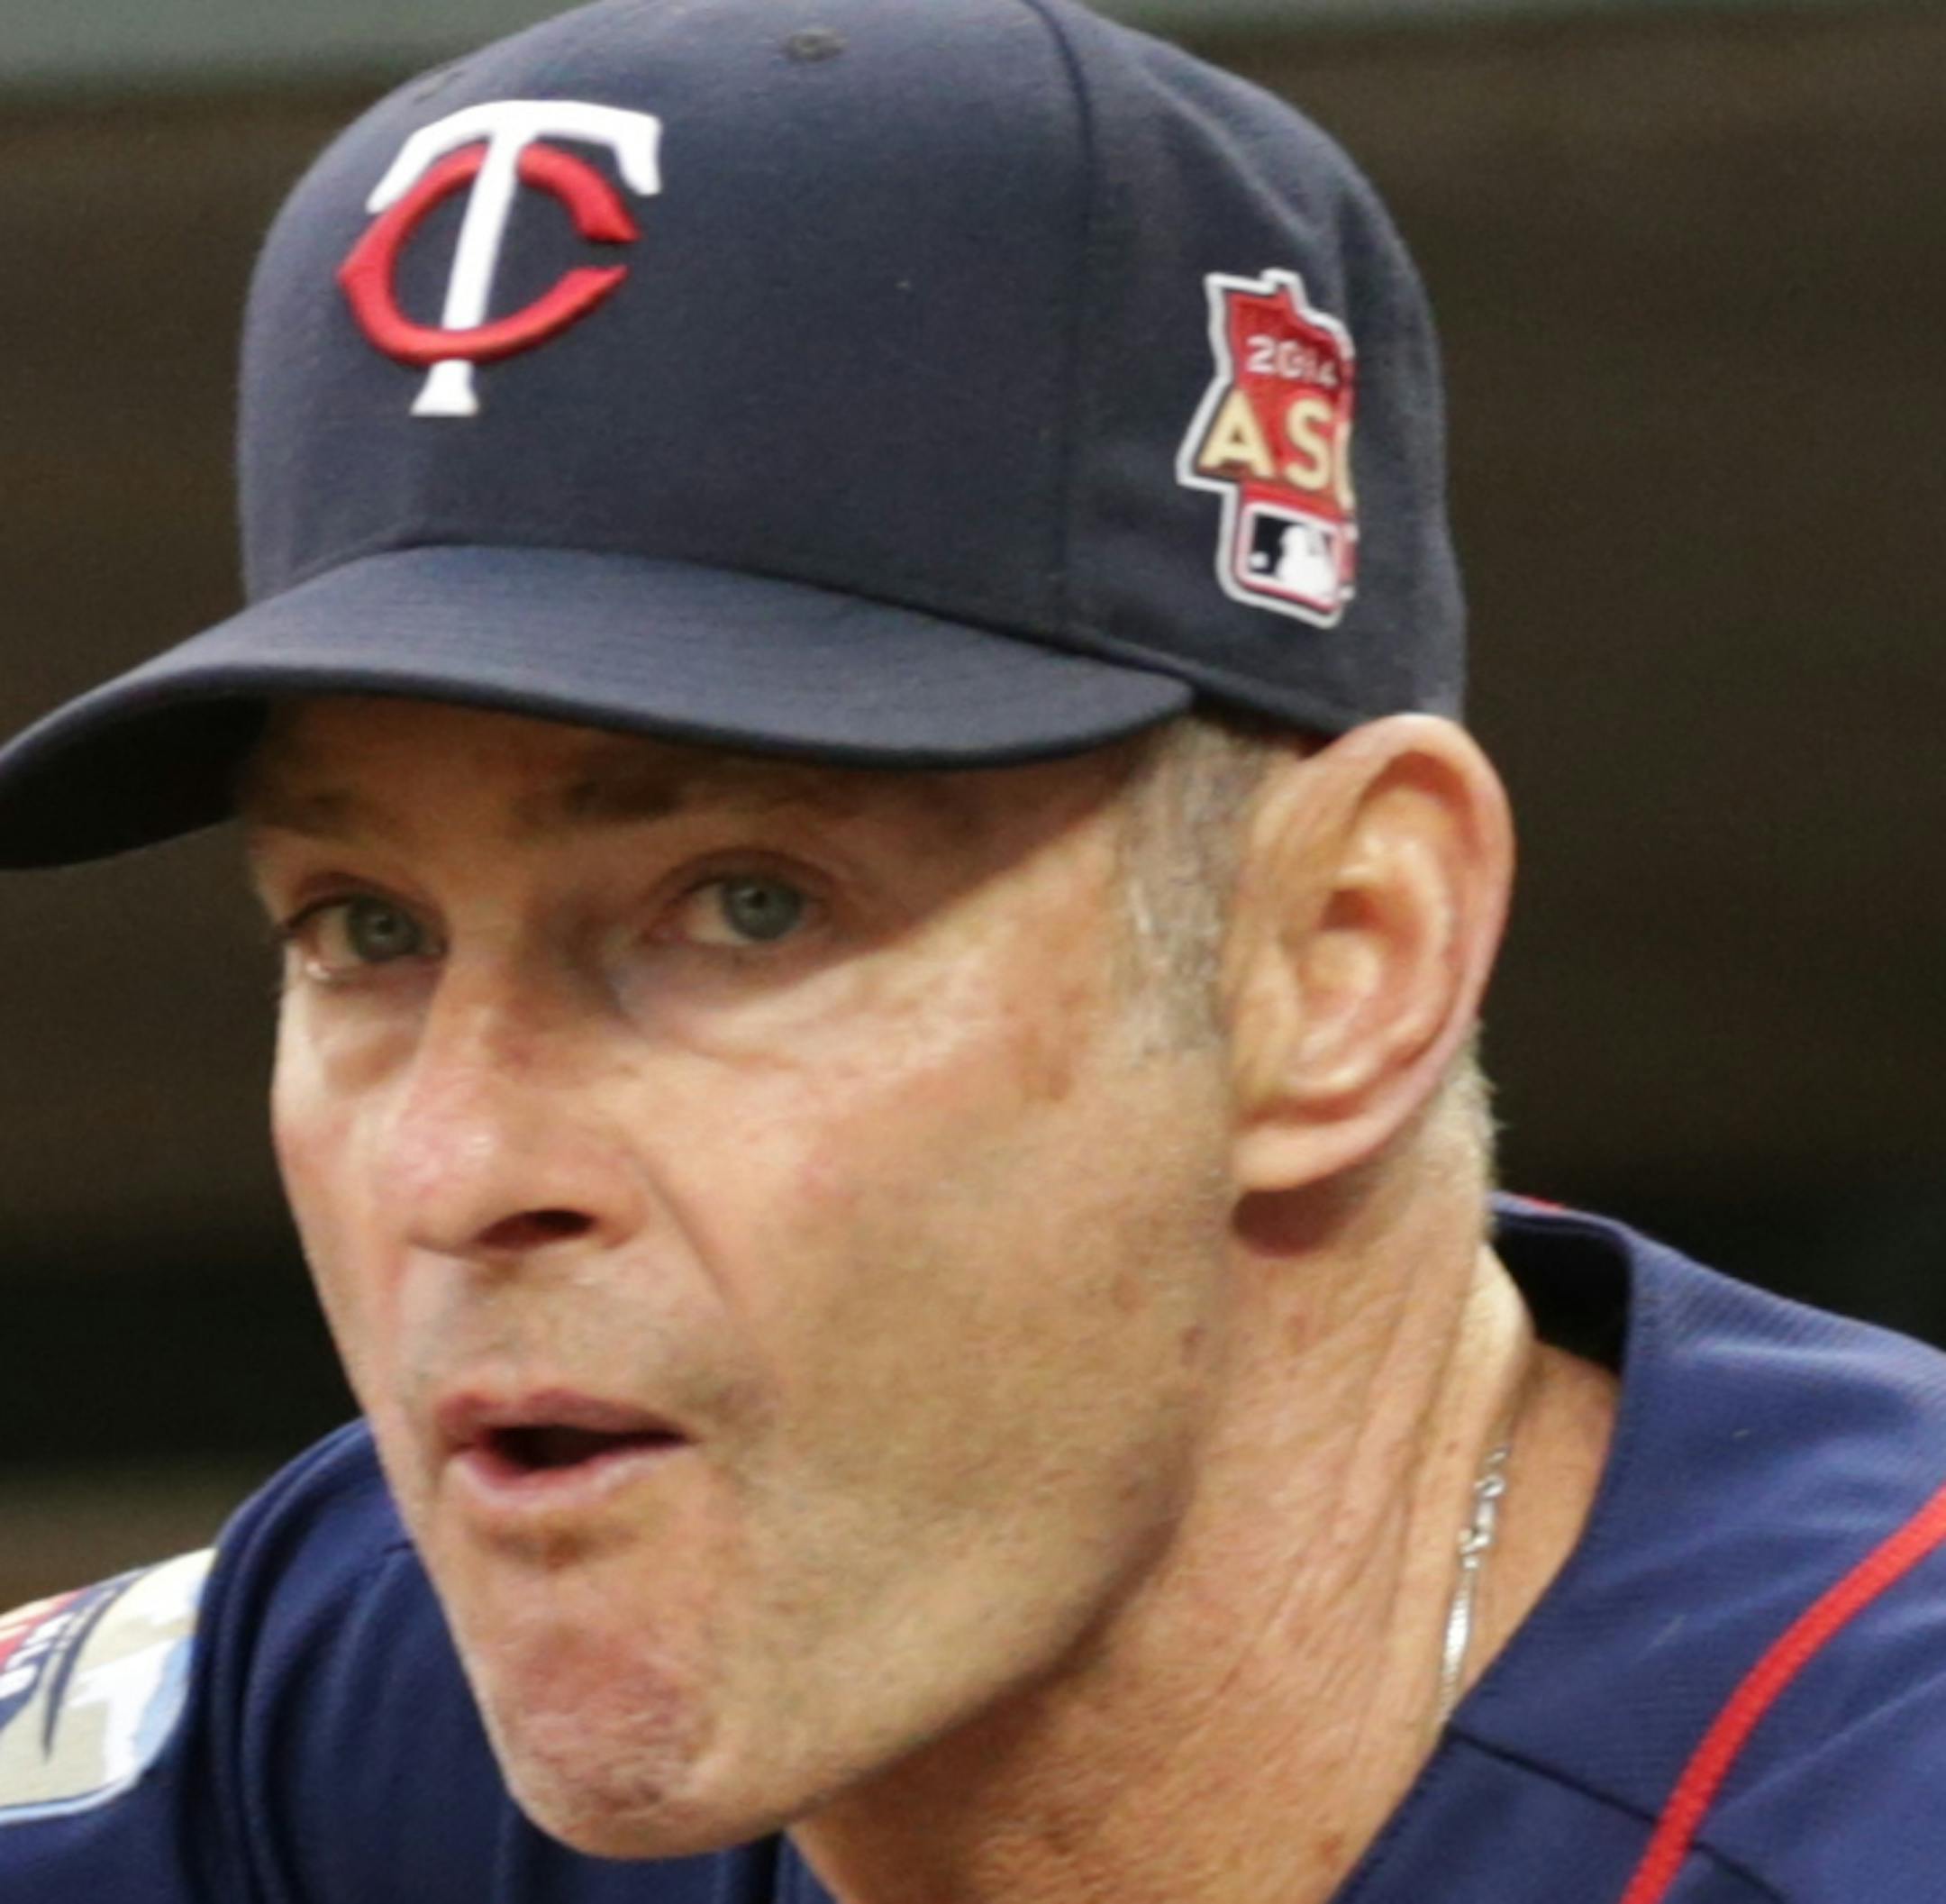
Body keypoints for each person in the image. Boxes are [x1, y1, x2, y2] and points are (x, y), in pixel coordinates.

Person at [0, 2, 1942, 1899]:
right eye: (366, 929)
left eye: (749, 901)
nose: (457, 1169)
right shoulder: (341, 1694)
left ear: (1341, 960)